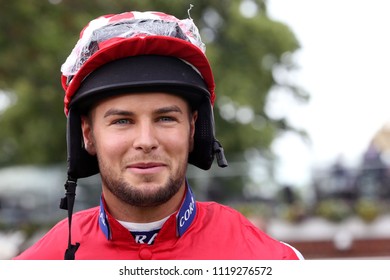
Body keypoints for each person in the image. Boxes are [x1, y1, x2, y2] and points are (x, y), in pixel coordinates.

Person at [14, 10, 303, 260]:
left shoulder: (275, 261)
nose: (146, 141)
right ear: (88, 135)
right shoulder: (33, 267)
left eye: (165, 118)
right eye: (122, 121)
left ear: (194, 130)